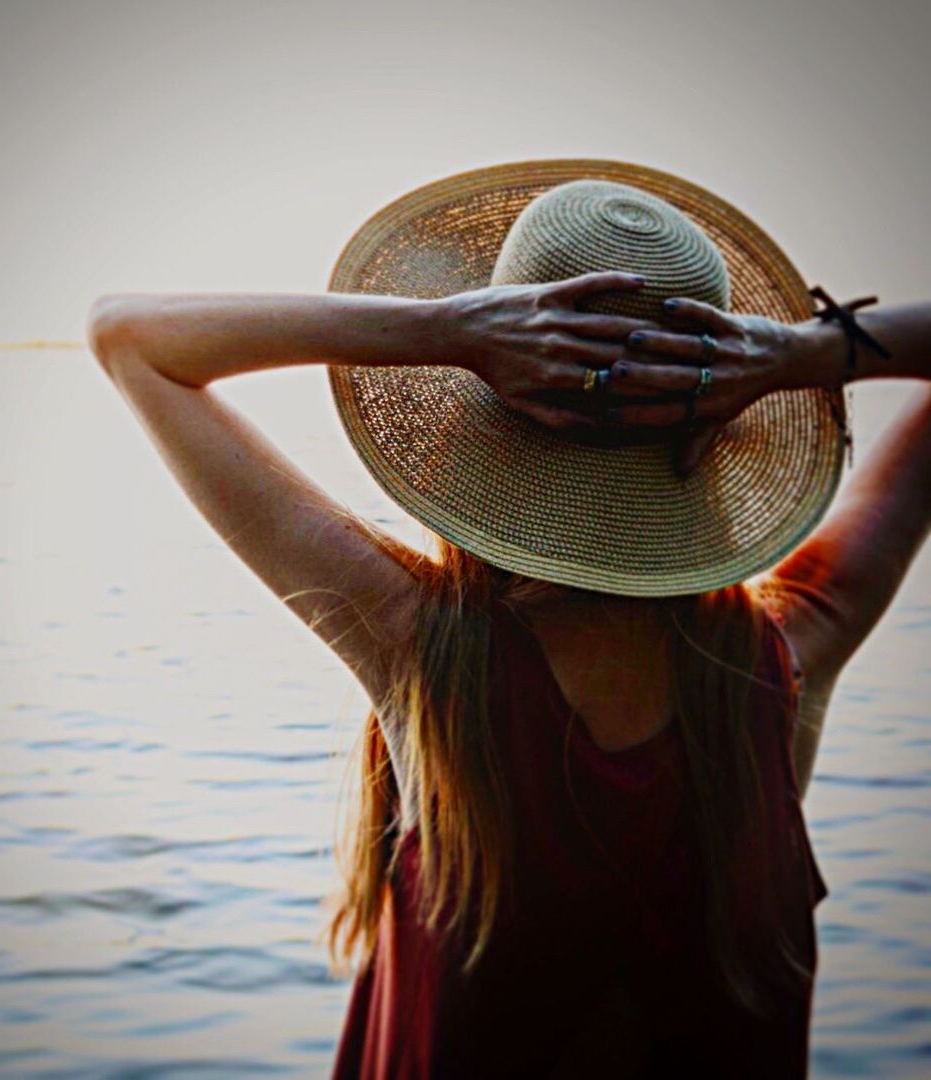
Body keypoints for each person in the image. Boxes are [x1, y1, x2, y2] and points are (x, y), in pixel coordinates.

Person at [85, 161, 930, 1078]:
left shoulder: (422, 647)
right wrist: (798, 357)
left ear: (485, 423)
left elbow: (132, 338)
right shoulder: (785, 658)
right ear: (718, 426)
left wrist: (448, 330)